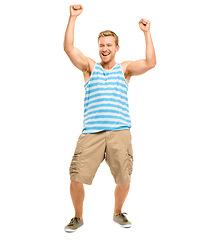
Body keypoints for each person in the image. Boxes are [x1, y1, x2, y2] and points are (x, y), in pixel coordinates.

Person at [63, 4, 156, 232]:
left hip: (119, 133)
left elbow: (151, 63)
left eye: (109, 45)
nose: (105, 48)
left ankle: (117, 212)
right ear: (99, 48)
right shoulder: (89, 68)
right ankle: (77, 217)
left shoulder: (124, 70)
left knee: (124, 178)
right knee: (76, 177)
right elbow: (68, 48)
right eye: (102, 45)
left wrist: (147, 33)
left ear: (116, 48)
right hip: (91, 133)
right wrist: (72, 18)